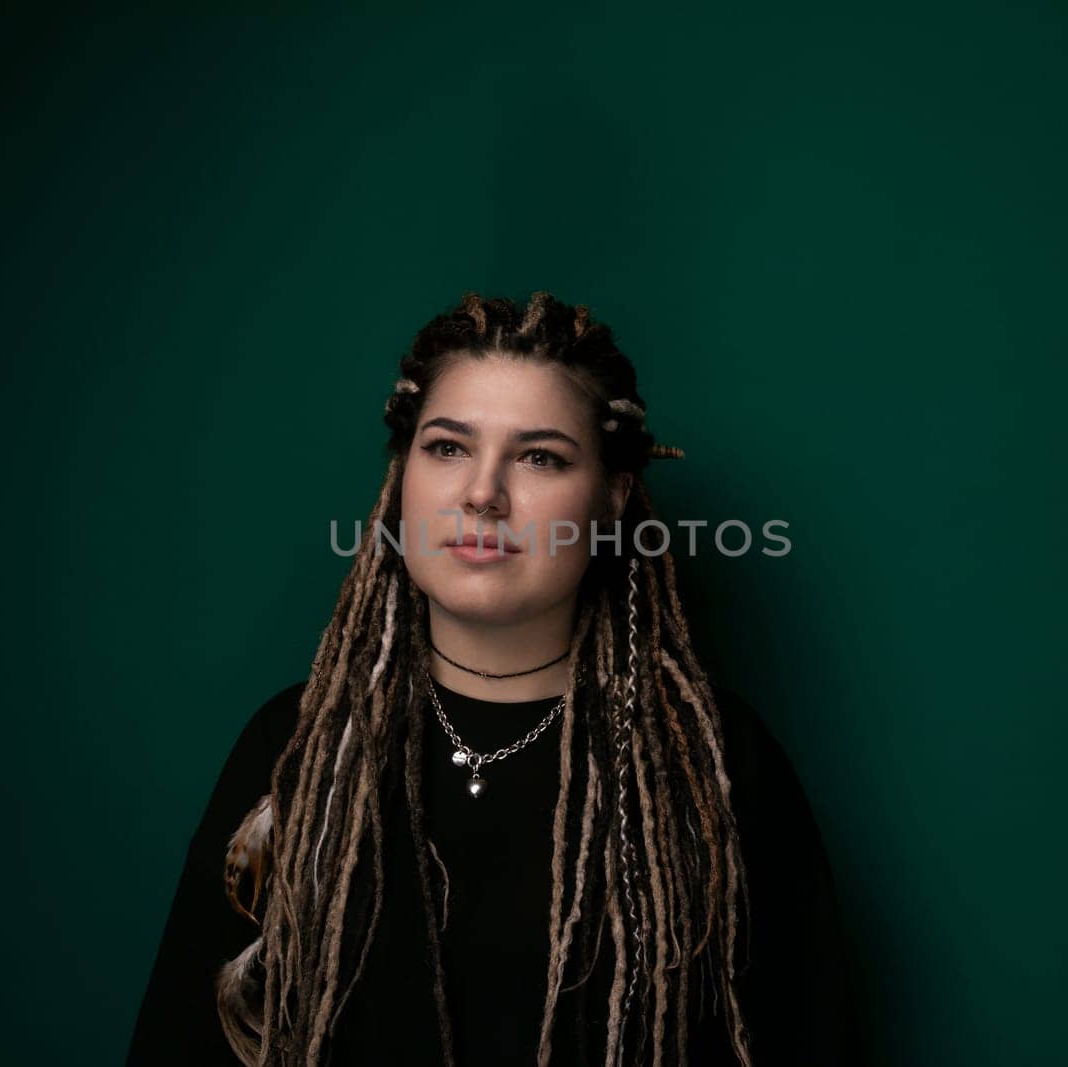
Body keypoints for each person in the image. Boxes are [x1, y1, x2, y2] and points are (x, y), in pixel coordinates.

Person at [127, 291, 861, 1065]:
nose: (483, 493)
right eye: (447, 447)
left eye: (540, 456)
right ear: (401, 475)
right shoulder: (299, 747)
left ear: (611, 499)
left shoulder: (714, 764)